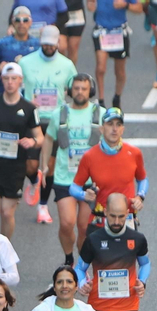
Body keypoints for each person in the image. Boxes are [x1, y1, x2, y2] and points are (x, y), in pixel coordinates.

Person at [0, 65, 44, 235]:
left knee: (7, 212)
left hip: (15, 168)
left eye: (14, 79)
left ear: (20, 81)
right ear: (1, 80)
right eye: (6, 79)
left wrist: (32, 141)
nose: (10, 83)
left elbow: (40, 137)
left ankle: (4, 251)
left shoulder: (29, 108)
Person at [19, 25, 82, 221]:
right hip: (32, 119)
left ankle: (43, 207)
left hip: (57, 119)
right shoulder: (26, 62)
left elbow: (74, 91)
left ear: (58, 43)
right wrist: (25, 102)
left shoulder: (67, 65)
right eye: (45, 43)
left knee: (50, 165)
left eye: (52, 44)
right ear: (40, 42)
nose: (48, 47)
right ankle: (33, 180)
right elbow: (16, 90)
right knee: (30, 165)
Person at [42, 75, 103, 261]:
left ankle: (82, 262)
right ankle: (69, 257)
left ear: (90, 91)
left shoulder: (100, 113)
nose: (80, 92)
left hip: (91, 181)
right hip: (64, 178)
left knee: (84, 226)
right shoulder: (59, 113)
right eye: (76, 88)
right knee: (67, 223)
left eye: (84, 89)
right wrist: (44, 166)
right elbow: (48, 139)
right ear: (70, 91)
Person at [69, 108, 149, 220]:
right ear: (102, 129)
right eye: (110, 124)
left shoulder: (134, 153)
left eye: (118, 125)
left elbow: (142, 179)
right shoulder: (89, 156)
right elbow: (74, 188)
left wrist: (140, 197)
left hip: (127, 219)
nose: (114, 129)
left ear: (122, 129)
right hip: (101, 219)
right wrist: (84, 195)